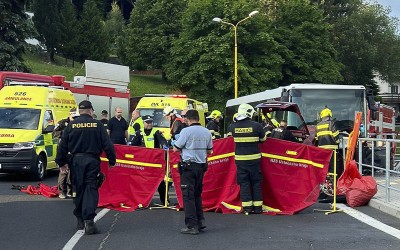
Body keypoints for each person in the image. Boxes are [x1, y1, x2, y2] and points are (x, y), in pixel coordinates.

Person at [55, 100, 116, 235]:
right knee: (90, 189)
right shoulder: (97, 125)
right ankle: (89, 221)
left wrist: (61, 163)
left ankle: (79, 220)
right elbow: (108, 144)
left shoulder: (71, 125)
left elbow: (62, 146)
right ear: (91, 111)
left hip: (76, 161)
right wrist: (112, 160)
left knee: (77, 189)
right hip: (92, 161)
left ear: (79, 111)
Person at [173, 109, 213, 235]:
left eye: (185, 118)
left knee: (188, 196)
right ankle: (201, 222)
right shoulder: (207, 132)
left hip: (188, 167)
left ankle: (192, 226)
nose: (184, 120)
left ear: (188, 119)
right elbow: (210, 151)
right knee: (197, 195)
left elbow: (175, 148)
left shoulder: (186, 131)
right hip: (201, 167)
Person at [230, 103, 266, 215]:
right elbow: (263, 139)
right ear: (248, 112)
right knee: (256, 182)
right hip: (255, 160)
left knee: (244, 182)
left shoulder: (232, 126)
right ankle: (258, 208)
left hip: (240, 161)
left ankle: (247, 208)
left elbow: (229, 139)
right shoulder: (257, 126)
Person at [130, 115, 170, 205]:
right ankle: (140, 200)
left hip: (155, 162)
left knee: (160, 181)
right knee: (141, 182)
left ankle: (165, 200)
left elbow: (163, 141)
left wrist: (165, 146)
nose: (149, 124)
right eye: (147, 122)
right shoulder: (139, 133)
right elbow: (132, 146)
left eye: (150, 122)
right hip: (144, 162)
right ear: (143, 123)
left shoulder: (156, 132)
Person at [53, 108, 77, 199]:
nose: (74, 117)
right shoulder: (63, 123)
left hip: (73, 150)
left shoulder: (77, 123)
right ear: (69, 114)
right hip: (63, 150)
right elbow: (54, 133)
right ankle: (62, 191)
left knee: (72, 173)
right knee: (63, 172)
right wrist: (65, 133)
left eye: (76, 115)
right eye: (73, 115)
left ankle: (70, 190)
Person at [316, 107, 339, 171]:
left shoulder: (317, 125)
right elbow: (336, 136)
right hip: (332, 149)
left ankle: (325, 178)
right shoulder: (331, 123)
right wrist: (338, 142)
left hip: (321, 149)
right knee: (333, 166)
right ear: (329, 115)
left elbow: (316, 139)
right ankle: (332, 179)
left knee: (324, 165)